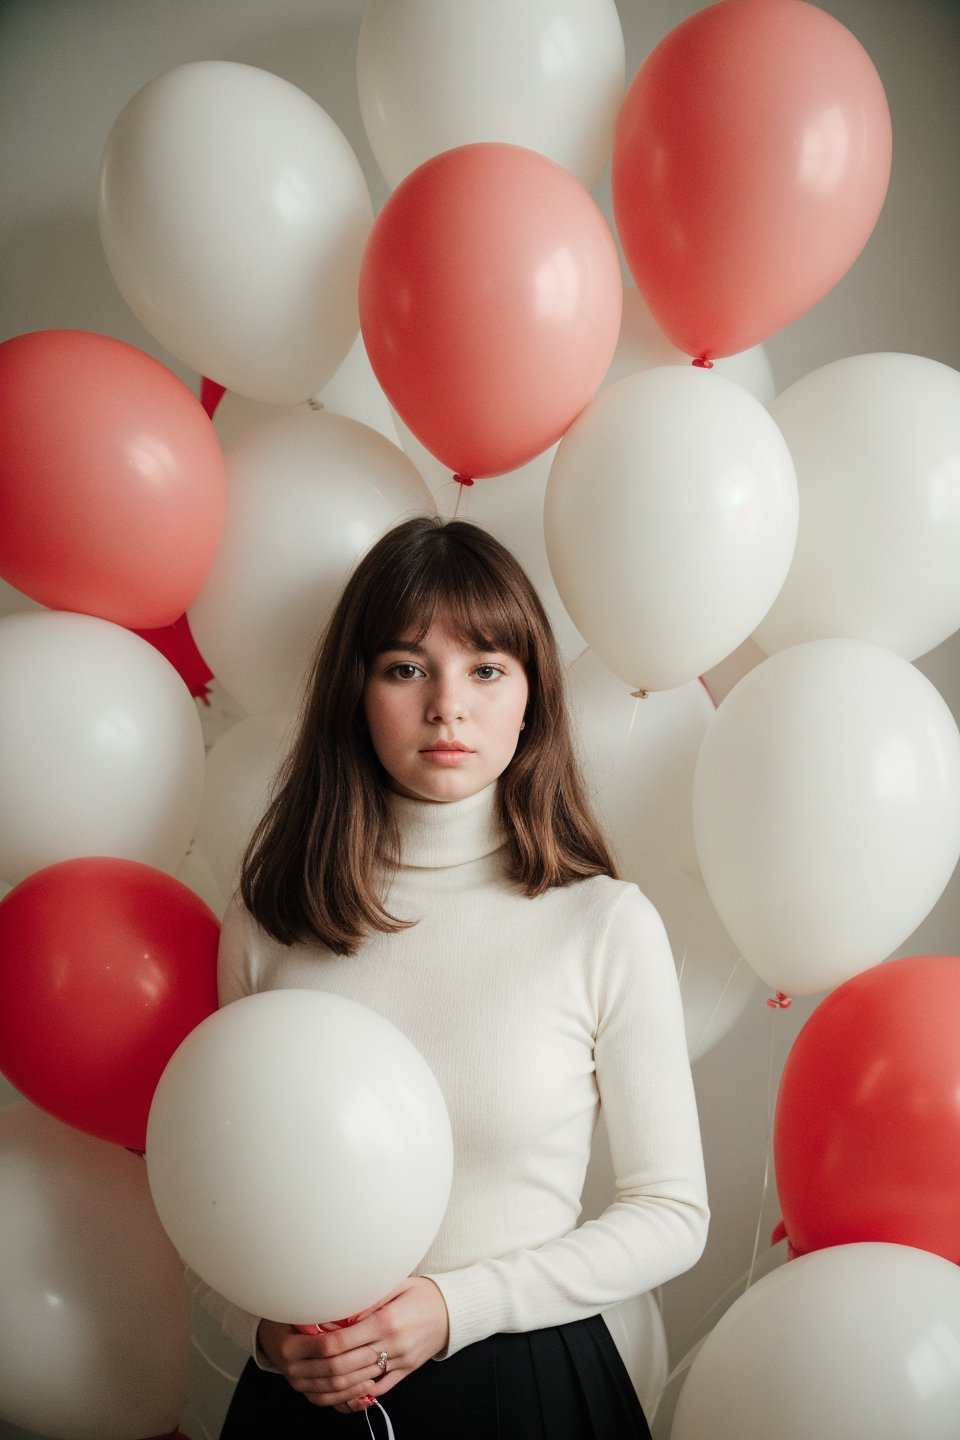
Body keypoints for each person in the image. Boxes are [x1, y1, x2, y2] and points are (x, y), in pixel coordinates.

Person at [199, 515, 709, 1439]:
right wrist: (268, 1334)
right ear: (355, 692)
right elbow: (209, 1203)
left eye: (485, 669)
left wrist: (454, 1307)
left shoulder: (601, 923)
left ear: (531, 698)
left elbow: (673, 1213)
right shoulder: (269, 925)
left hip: (529, 1385)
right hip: (305, 1400)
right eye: (405, 668)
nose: (447, 705)